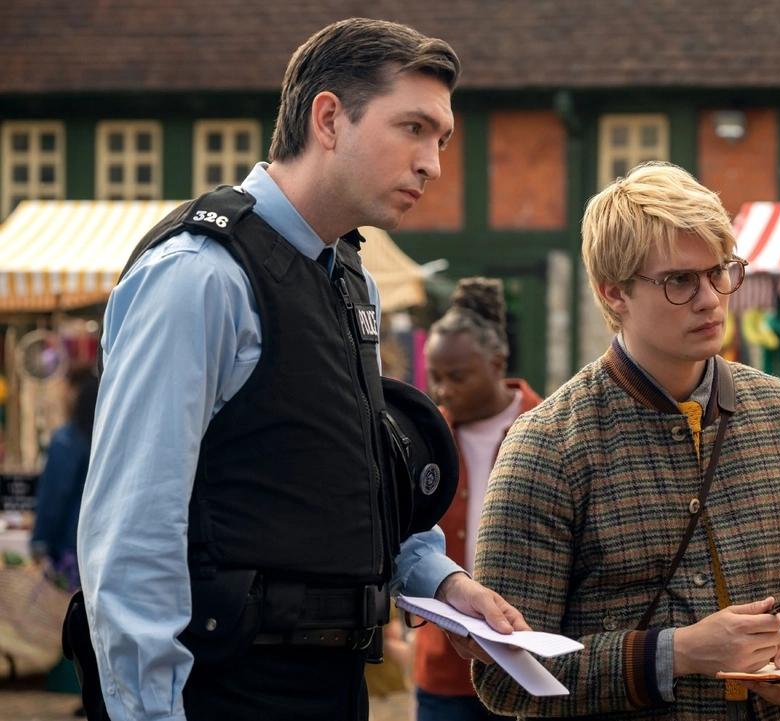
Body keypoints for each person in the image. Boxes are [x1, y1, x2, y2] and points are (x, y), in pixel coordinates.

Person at [76, 18, 526, 721]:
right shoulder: (200, 276)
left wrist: (441, 581)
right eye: (413, 128)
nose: (433, 164)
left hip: (331, 682)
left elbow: (352, 478)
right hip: (224, 688)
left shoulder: (351, 278)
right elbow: (132, 533)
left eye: (441, 139)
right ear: (328, 119)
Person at [472, 162, 780, 720]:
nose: (710, 298)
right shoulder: (547, 445)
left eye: (720, 271)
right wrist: (676, 654)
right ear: (613, 292)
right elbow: (505, 671)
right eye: (680, 281)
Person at [413, 278, 543, 721]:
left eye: (457, 377)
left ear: (497, 363)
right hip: (446, 670)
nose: (443, 390)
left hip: (532, 661)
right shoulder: (426, 439)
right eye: (435, 377)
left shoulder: (549, 428)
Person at [31, 365, 99, 588]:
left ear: (74, 394)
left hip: (67, 549)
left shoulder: (66, 440)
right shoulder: (104, 439)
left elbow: (53, 496)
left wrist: (40, 542)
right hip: (99, 547)